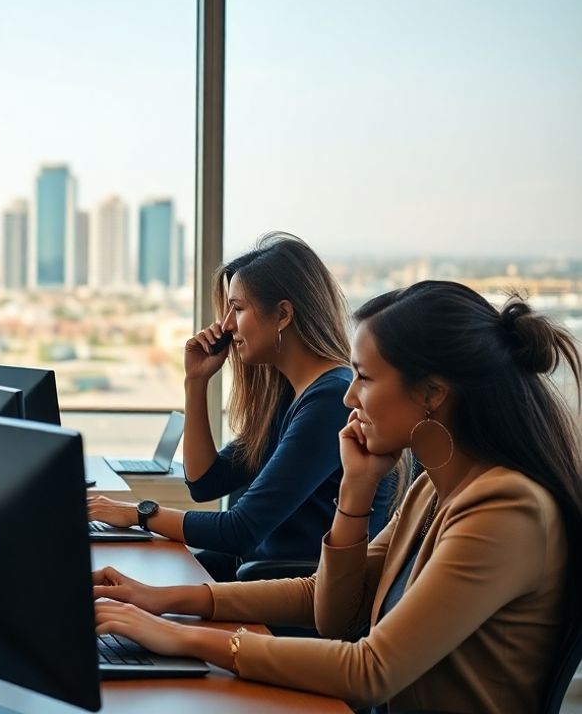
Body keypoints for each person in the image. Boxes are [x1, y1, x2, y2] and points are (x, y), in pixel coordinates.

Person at [92, 282, 581, 712]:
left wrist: (180, 635)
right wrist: (160, 599)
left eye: (364, 378)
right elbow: (328, 609)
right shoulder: (434, 489)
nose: (351, 397)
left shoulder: (506, 509)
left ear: (432, 393)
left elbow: (370, 671)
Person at [89, 233, 395, 580]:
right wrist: (196, 382)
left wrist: (138, 514)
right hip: (255, 578)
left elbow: (240, 529)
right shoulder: (290, 395)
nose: (226, 326)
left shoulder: (330, 402)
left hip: (292, 601)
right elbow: (205, 483)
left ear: (282, 314)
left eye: (237, 309)